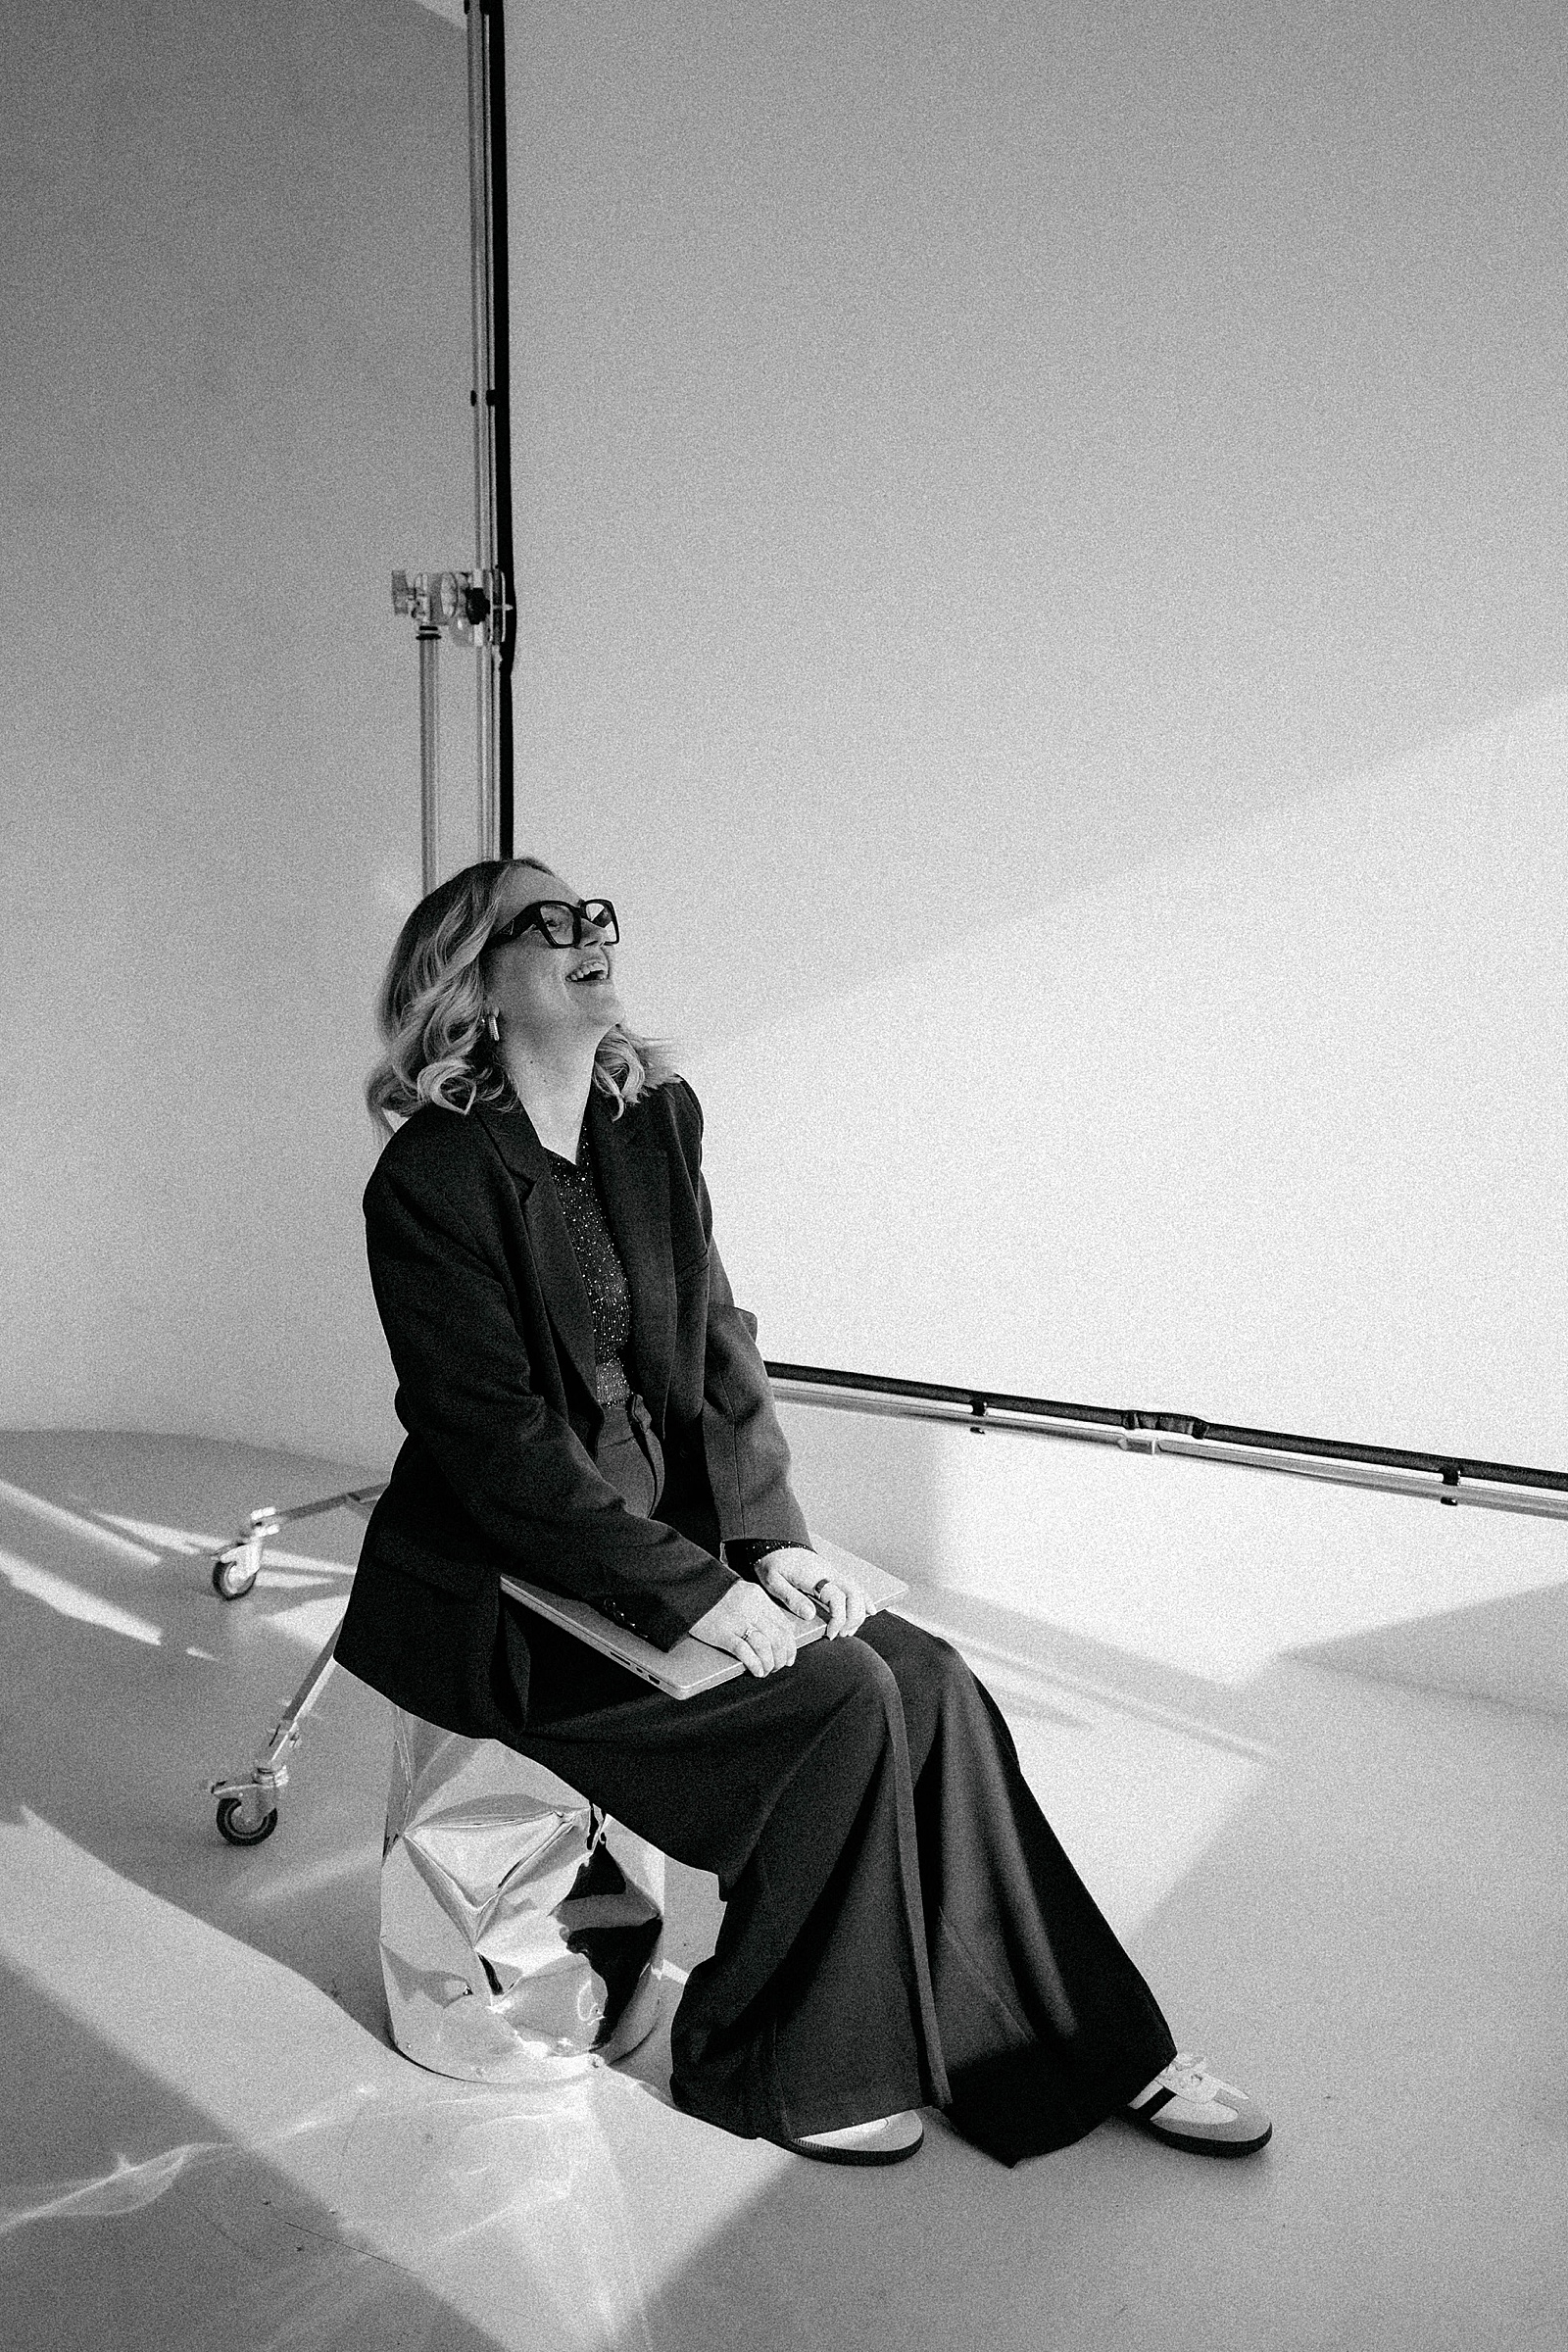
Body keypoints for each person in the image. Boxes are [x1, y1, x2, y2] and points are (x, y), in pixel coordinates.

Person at [333, 855, 1272, 2168]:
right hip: (520, 1590)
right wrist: (697, 1594)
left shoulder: (652, 1122)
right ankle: (769, 2063)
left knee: (932, 1683)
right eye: (547, 922)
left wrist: (772, 1543)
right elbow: (497, 1453)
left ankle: (1071, 2044)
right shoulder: (433, 1180)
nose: (591, 933)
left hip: (676, 1550)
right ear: (474, 984)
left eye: (596, 913)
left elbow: (720, 1350)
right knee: (843, 1705)